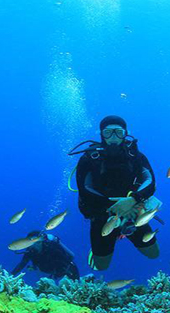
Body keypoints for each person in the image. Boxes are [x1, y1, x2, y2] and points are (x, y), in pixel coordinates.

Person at [70, 115, 160, 270]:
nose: (113, 137)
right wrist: (116, 207)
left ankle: (125, 231)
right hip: (102, 216)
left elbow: (150, 183)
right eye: (108, 132)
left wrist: (132, 201)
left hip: (133, 213)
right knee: (102, 266)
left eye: (118, 132)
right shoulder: (89, 159)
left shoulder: (136, 157)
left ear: (125, 133)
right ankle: (99, 249)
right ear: (101, 134)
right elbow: (84, 191)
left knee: (153, 254)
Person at [11, 231, 80, 280]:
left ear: (41, 240)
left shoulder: (51, 247)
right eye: (31, 242)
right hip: (51, 274)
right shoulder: (30, 251)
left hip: (67, 270)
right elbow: (22, 264)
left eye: (37, 242)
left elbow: (68, 259)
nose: (35, 244)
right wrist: (11, 276)